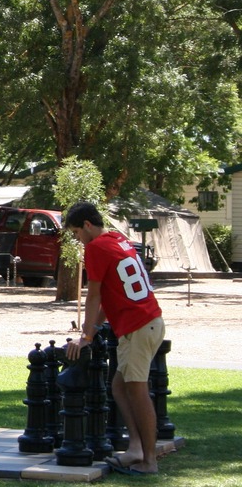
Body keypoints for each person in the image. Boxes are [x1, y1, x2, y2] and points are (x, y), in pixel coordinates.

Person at [64, 201, 165, 476]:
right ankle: (135, 449)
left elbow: (94, 295)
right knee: (120, 388)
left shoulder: (94, 247)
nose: (77, 239)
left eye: (76, 233)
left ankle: (149, 461)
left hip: (139, 326)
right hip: (149, 322)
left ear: (87, 225)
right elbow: (110, 297)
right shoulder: (118, 239)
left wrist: (84, 335)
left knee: (138, 392)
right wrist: (92, 331)